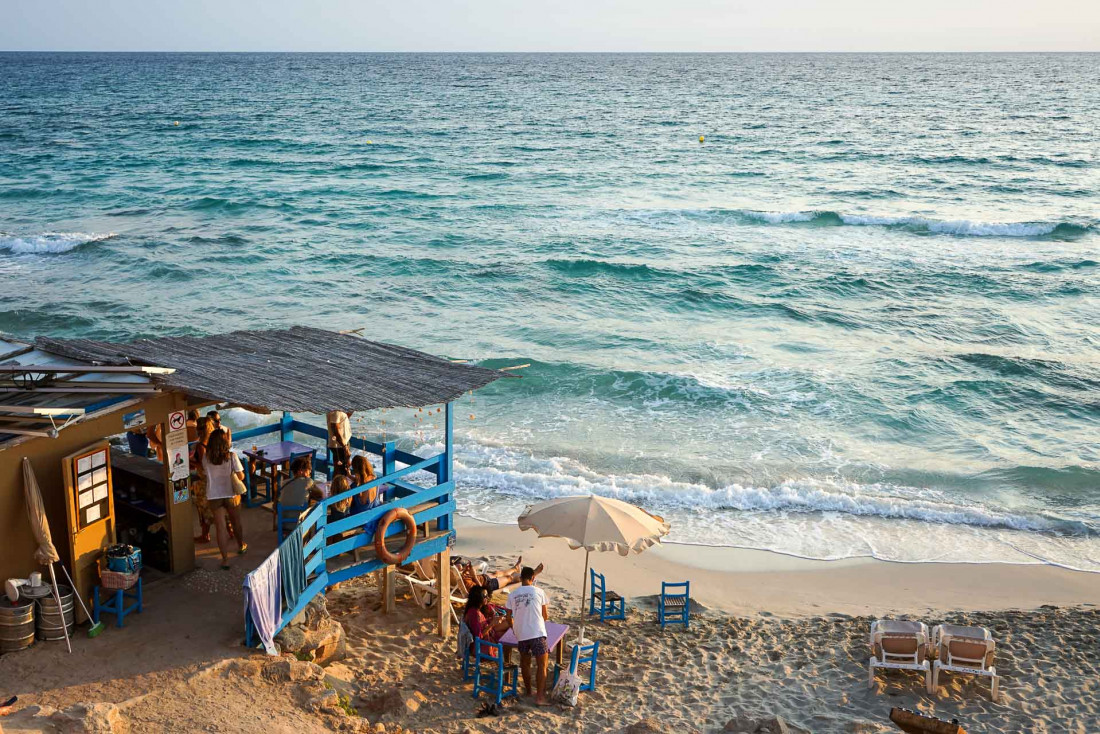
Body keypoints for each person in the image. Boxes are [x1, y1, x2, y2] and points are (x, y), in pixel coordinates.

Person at [505, 566, 552, 706]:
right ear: (533, 578)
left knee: (525, 663)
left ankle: (528, 691)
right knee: (542, 665)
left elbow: (508, 617)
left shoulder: (512, 594)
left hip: (521, 633)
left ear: (520, 579)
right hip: (537, 632)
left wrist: (515, 628)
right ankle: (539, 697)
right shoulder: (539, 591)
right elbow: (545, 615)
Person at [201, 428, 247, 569]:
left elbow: (204, 474)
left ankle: (225, 559)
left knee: (220, 528)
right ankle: (240, 545)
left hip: (214, 495)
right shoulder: (231, 456)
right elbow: (241, 477)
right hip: (231, 493)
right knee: (236, 522)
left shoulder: (206, 457)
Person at [464, 584, 511, 654]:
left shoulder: (473, 610)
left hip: (487, 636)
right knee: (509, 635)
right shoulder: (474, 614)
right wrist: (492, 624)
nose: (487, 598)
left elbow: (479, 627)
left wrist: (492, 620)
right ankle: (507, 661)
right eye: (485, 596)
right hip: (481, 646)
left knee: (509, 627)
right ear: (477, 598)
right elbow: (478, 637)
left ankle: (507, 661)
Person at [460, 557, 542, 596]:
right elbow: (481, 590)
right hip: (488, 584)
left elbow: (467, 574)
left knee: (496, 573)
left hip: (483, 578)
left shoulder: (457, 574)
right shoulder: (466, 584)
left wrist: (466, 571)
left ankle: (515, 568)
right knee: (509, 578)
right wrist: (474, 575)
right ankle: (530, 575)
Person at [190, 416, 215, 543]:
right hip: (215, 478)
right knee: (219, 507)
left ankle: (205, 535)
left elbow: (202, 465)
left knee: (204, 510)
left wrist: (191, 462)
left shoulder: (200, 446)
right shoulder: (215, 442)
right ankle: (231, 531)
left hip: (204, 481)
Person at [327, 409, 352, 476]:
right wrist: (345, 447)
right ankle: (339, 485)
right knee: (341, 470)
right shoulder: (336, 411)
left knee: (343, 468)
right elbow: (334, 427)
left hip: (342, 442)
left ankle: (339, 485)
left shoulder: (339, 410)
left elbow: (344, 418)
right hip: (339, 444)